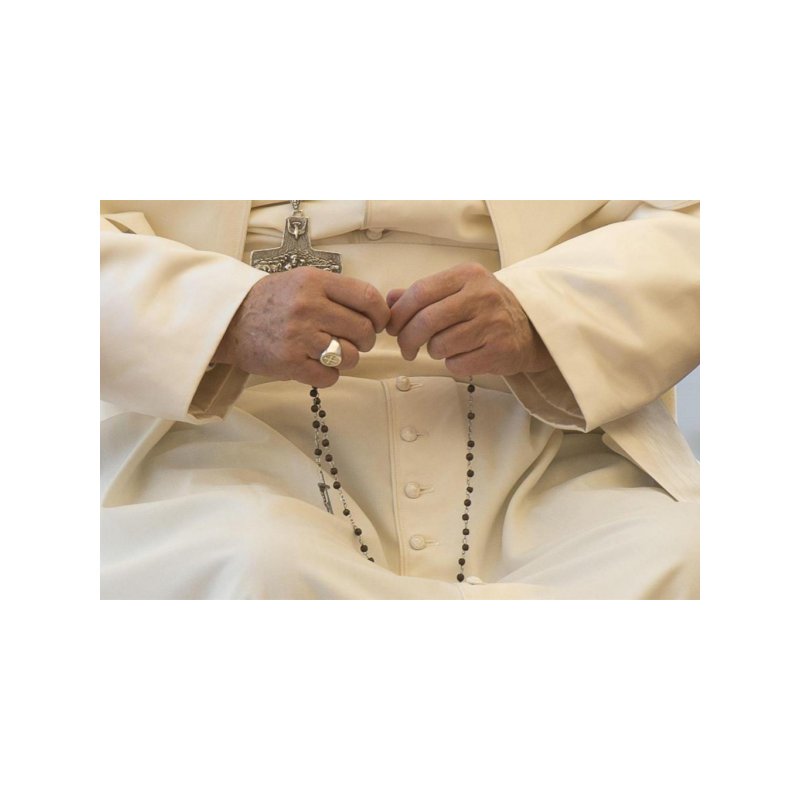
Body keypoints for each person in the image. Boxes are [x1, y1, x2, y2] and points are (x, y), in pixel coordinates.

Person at [100, 199, 700, 600]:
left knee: (684, 554)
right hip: (225, 423)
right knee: (251, 560)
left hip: (544, 420)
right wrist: (227, 315)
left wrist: (540, 311)